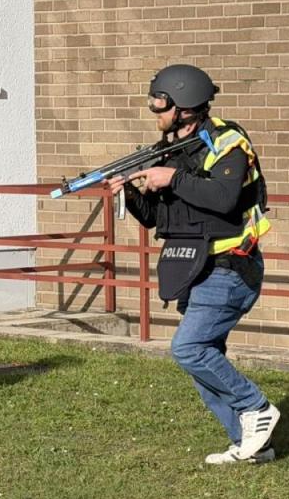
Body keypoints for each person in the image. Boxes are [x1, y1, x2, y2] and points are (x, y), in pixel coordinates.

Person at [106, 64, 279, 465]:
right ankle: (252, 446)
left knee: (189, 349)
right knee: (204, 359)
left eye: (160, 107)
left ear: (183, 107)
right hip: (195, 266)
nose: (156, 114)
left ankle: (257, 408)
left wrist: (171, 180)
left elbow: (223, 198)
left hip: (231, 266)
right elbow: (157, 218)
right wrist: (130, 194)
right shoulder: (170, 151)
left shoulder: (228, 142)